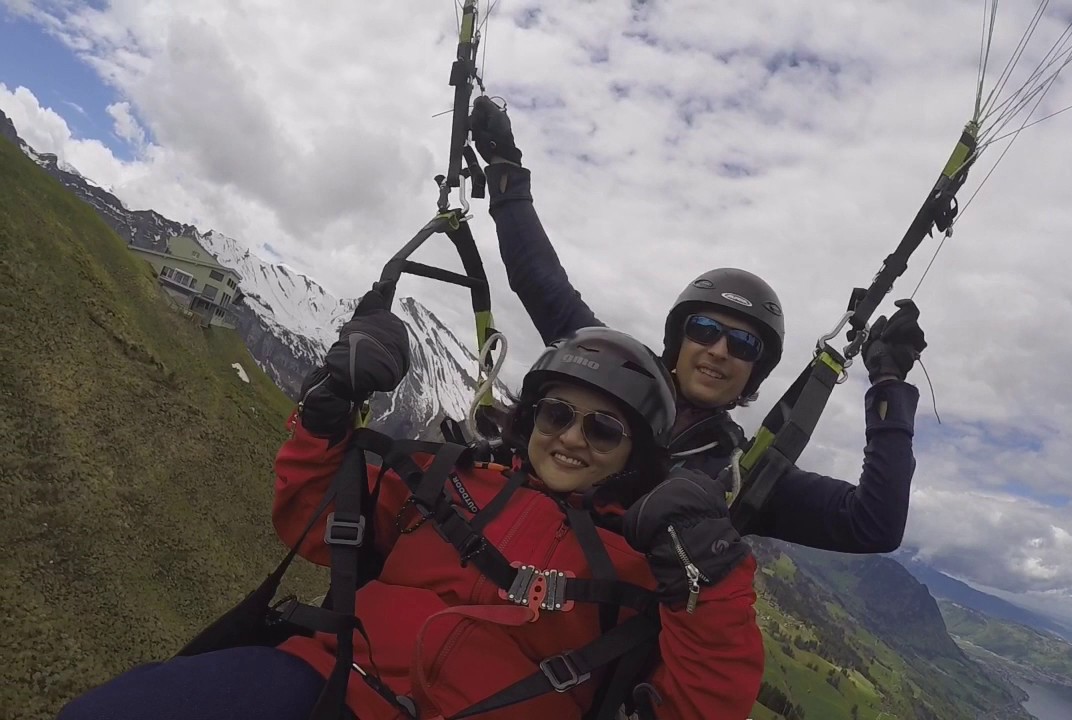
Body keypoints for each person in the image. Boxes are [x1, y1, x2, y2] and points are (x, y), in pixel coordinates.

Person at [58, 285, 763, 720]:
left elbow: (703, 704)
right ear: (531, 418)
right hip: (330, 676)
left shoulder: (645, 566)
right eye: (556, 415)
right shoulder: (452, 477)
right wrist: (328, 410)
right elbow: (310, 518)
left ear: (635, 456)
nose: (572, 438)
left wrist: (717, 582)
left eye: (604, 429)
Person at [470, 96, 927, 552]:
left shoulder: (740, 473)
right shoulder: (608, 369)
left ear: (755, 372)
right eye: (705, 330)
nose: (719, 350)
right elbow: (540, 281)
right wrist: (506, 171)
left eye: (744, 344)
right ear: (679, 339)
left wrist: (887, 384)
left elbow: (872, 525)